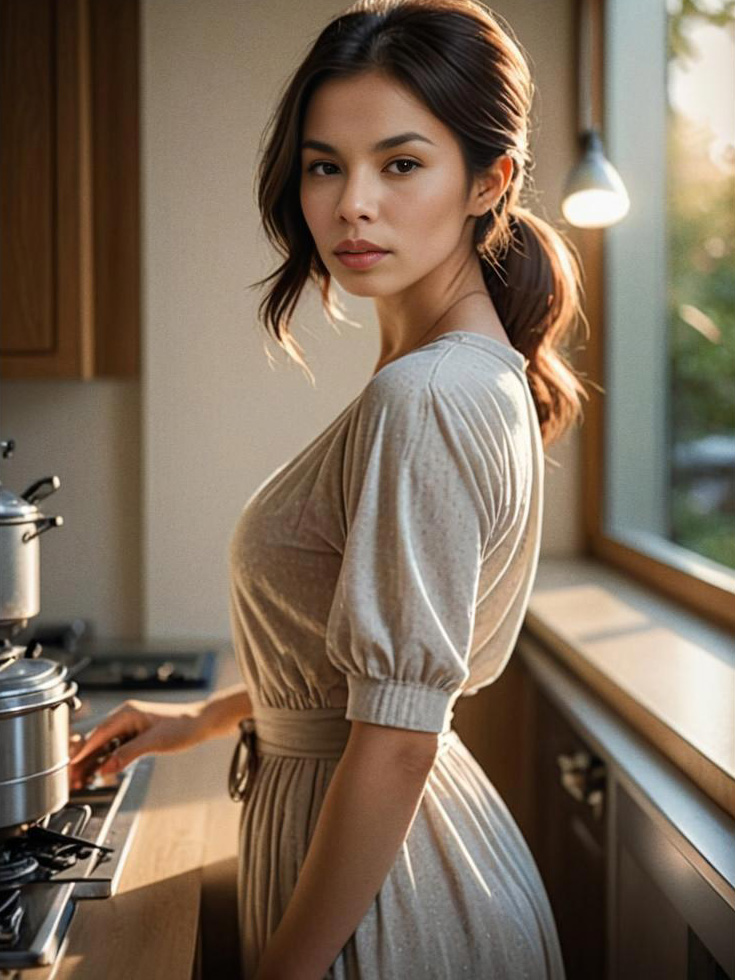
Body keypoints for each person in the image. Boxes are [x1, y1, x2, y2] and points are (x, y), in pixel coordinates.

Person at [69, 0, 589, 976]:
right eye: (325, 164)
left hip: (391, 904)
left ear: (490, 180)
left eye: (400, 164)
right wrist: (206, 717)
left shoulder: (426, 393)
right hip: (374, 860)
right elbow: (370, 674)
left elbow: (396, 741)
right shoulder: (457, 369)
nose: (354, 202)